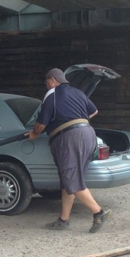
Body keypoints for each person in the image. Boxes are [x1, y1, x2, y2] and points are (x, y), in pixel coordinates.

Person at [26, 68, 111, 233]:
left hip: (70, 137)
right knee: (71, 179)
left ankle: (98, 212)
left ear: (51, 80)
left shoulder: (52, 93)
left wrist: (35, 134)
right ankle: (63, 220)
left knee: (71, 179)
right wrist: (78, 119)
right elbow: (94, 111)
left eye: (46, 82)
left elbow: (41, 123)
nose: (46, 86)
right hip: (88, 134)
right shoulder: (78, 93)